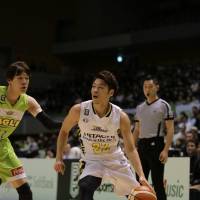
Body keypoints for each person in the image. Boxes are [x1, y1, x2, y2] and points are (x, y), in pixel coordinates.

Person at [54, 70, 154, 200]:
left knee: (139, 197)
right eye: (93, 86)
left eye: (100, 88)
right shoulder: (79, 110)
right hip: (92, 160)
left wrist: (141, 175)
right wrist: (58, 158)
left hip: (115, 159)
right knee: (85, 187)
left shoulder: (121, 116)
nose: (95, 90)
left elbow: (130, 148)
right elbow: (64, 131)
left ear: (111, 93)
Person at [0, 61, 61, 200]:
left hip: (3, 147)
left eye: (27, 78)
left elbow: (49, 124)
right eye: (20, 78)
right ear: (9, 80)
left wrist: (71, 122)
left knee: (26, 193)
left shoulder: (28, 102)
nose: (24, 82)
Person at [133, 75, 174, 200]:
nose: (147, 89)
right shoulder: (139, 108)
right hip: (142, 146)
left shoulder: (164, 105)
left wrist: (166, 150)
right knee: (139, 182)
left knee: (158, 183)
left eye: (150, 86)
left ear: (157, 87)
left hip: (156, 145)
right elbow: (137, 129)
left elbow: (170, 129)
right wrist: (132, 147)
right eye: (145, 87)